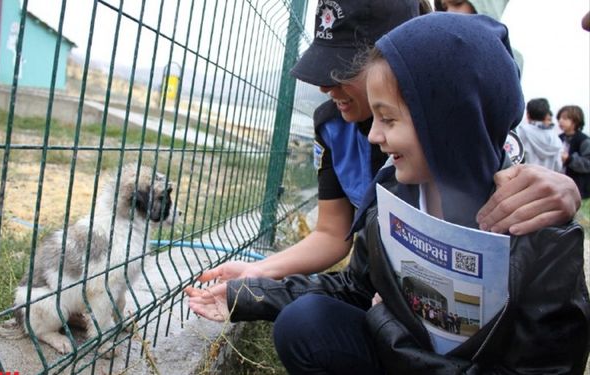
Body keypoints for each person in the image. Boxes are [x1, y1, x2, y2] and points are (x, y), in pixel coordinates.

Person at [186, 14, 590, 374]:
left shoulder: (537, 226)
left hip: (421, 351)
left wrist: (390, 331)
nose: (376, 136)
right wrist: (252, 294)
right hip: (401, 349)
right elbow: (356, 287)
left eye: (389, 119)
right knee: (305, 322)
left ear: (447, 122)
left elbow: (550, 366)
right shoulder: (390, 195)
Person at [515, 98, 563, 171]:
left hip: (526, 179)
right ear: (546, 115)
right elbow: (558, 166)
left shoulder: (521, 131)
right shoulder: (555, 138)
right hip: (549, 180)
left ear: (528, 115)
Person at [558, 105, 590, 199]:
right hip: (561, 184)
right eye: (559, 118)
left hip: (579, 189)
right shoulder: (558, 138)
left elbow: (588, 164)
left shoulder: (584, 140)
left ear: (575, 121)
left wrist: (569, 159)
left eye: (565, 118)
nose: (560, 121)